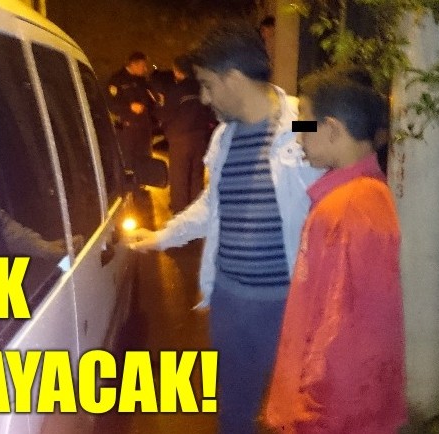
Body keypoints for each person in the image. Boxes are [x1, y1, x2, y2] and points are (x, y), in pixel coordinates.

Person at [127, 21, 323, 434]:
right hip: (229, 299)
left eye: (207, 85)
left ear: (233, 78)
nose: (203, 97)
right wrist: (162, 236)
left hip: (288, 303)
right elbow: (211, 205)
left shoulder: (301, 123)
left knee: (297, 412)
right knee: (233, 409)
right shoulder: (224, 138)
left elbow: (334, 173)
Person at [260, 70, 406, 433]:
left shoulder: (345, 209)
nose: (299, 137)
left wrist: (309, 413)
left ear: (332, 129)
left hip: (331, 412)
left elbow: (337, 329)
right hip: (351, 405)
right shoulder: (367, 194)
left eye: (304, 124)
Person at [156, 54, 217, 213]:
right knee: (196, 178)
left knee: (179, 180)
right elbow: (211, 113)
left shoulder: (175, 90)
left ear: (177, 71)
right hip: (200, 139)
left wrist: (161, 105)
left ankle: (180, 215)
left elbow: (165, 115)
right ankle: (196, 214)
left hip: (180, 141)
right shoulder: (202, 88)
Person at [107, 51, 155, 170]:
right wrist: (129, 107)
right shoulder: (117, 80)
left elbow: (150, 101)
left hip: (143, 128)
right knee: (128, 161)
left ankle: (142, 180)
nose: (145, 69)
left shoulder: (142, 81)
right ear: (134, 64)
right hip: (127, 129)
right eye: (143, 66)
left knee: (144, 160)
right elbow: (110, 104)